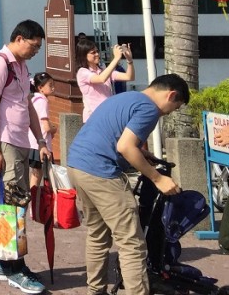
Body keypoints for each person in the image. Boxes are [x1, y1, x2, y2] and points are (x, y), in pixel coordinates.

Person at [67, 74, 190, 295]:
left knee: (97, 234)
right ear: (170, 95)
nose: (166, 113)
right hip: (101, 171)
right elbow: (125, 146)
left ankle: (95, 291)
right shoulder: (150, 109)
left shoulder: (125, 97)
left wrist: (141, 154)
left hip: (77, 165)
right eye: (172, 108)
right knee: (132, 243)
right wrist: (158, 178)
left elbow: (114, 136)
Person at [0, 19, 51, 295]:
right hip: (6, 142)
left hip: (22, 142)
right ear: (20, 38)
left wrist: (42, 141)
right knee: (12, 205)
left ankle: (6, 263)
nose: (36, 51)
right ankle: (13, 268)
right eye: (34, 46)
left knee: (18, 204)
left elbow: (28, 106)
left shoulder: (21, 67)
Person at [76, 35, 135, 122]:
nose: (97, 54)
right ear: (84, 56)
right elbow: (101, 79)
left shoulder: (103, 70)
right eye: (93, 53)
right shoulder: (82, 72)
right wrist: (116, 58)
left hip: (108, 115)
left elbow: (129, 77)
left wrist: (129, 61)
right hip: (93, 118)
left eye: (97, 51)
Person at [28, 72, 57, 191]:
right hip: (41, 145)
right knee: (39, 174)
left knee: (36, 173)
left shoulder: (33, 99)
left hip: (32, 142)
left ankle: (33, 199)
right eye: (50, 85)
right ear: (40, 88)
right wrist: (54, 128)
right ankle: (34, 200)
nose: (53, 88)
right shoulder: (42, 101)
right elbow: (46, 126)